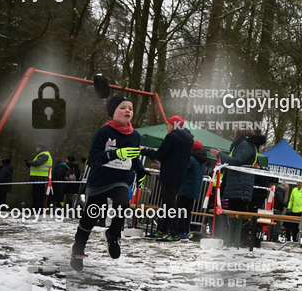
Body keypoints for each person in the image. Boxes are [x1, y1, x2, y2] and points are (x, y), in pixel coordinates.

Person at [69, 96, 145, 271]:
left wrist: (140, 171)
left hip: (121, 180)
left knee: (123, 204)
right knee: (90, 217)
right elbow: (94, 158)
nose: (128, 111)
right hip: (100, 180)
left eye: (131, 108)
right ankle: (77, 250)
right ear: (113, 113)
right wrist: (115, 154)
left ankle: (113, 235)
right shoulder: (104, 133)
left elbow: (134, 157)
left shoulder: (135, 136)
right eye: (123, 107)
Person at [210, 126, 267, 247]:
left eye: (236, 129)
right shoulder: (242, 144)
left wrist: (220, 155)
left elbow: (237, 161)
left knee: (239, 213)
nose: (234, 131)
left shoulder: (245, 144)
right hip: (236, 183)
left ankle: (240, 240)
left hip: (240, 184)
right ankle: (233, 239)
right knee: (234, 214)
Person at [144, 115, 195, 241]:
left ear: (173, 125)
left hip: (169, 174)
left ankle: (174, 232)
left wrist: (144, 150)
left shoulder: (172, 136)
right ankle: (163, 229)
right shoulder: (188, 138)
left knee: (169, 203)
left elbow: (160, 155)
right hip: (179, 174)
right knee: (169, 202)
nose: (167, 126)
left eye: (168, 124)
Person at [177, 140, 209, 239]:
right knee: (187, 212)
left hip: (185, 189)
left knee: (180, 211)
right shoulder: (201, 161)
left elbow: (181, 170)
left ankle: (180, 231)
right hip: (193, 192)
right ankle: (185, 230)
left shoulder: (190, 159)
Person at [24, 144, 53, 209]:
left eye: (36, 147)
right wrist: (29, 163)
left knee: (38, 195)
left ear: (40, 148)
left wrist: (28, 161)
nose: (36, 149)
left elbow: (37, 163)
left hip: (40, 177)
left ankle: (37, 210)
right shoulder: (42, 154)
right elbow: (35, 165)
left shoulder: (44, 154)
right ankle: (35, 209)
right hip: (38, 177)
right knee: (35, 195)